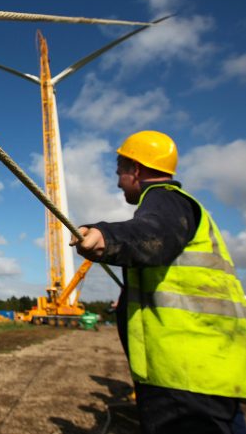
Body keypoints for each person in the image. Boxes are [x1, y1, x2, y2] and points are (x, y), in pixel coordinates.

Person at [70, 131, 246, 434]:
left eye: (119, 173)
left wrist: (104, 237)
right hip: (209, 371)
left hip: (183, 375)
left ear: (135, 170)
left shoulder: (166, 201)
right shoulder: (183, 207)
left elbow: (151, 235)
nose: (117, 182)